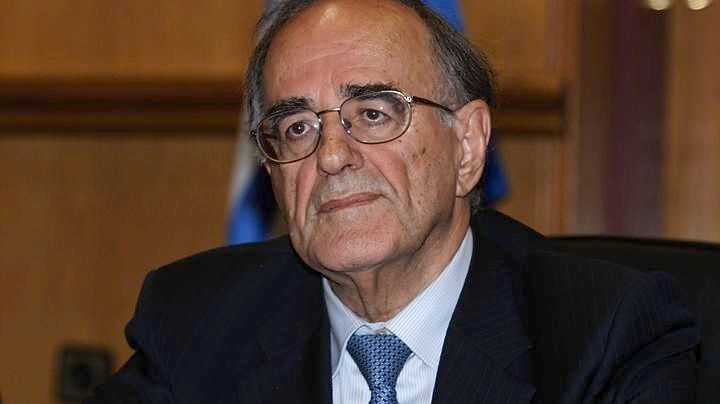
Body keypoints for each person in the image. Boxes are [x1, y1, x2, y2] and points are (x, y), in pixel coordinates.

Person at [87, 0, 700, 403]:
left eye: (374, 114)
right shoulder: (197, 324)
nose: (331, 155)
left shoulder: (604, 334)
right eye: (297, 127)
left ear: (467, 146)